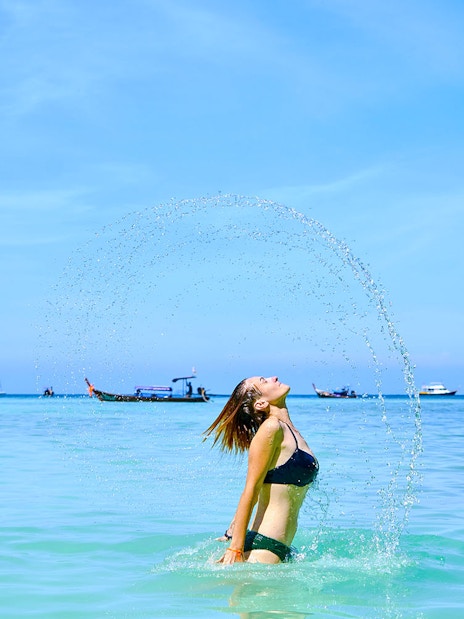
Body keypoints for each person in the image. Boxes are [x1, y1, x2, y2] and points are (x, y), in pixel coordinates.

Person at [203, 375, 319, 564]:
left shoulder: (290, 431)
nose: (274, 377)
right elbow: (251, 488)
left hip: (281, 548)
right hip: (264, 548)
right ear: (260, 403)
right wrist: (235, 548)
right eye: (265, 381)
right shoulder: (271, 428)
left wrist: (231, 529)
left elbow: (267, 484)